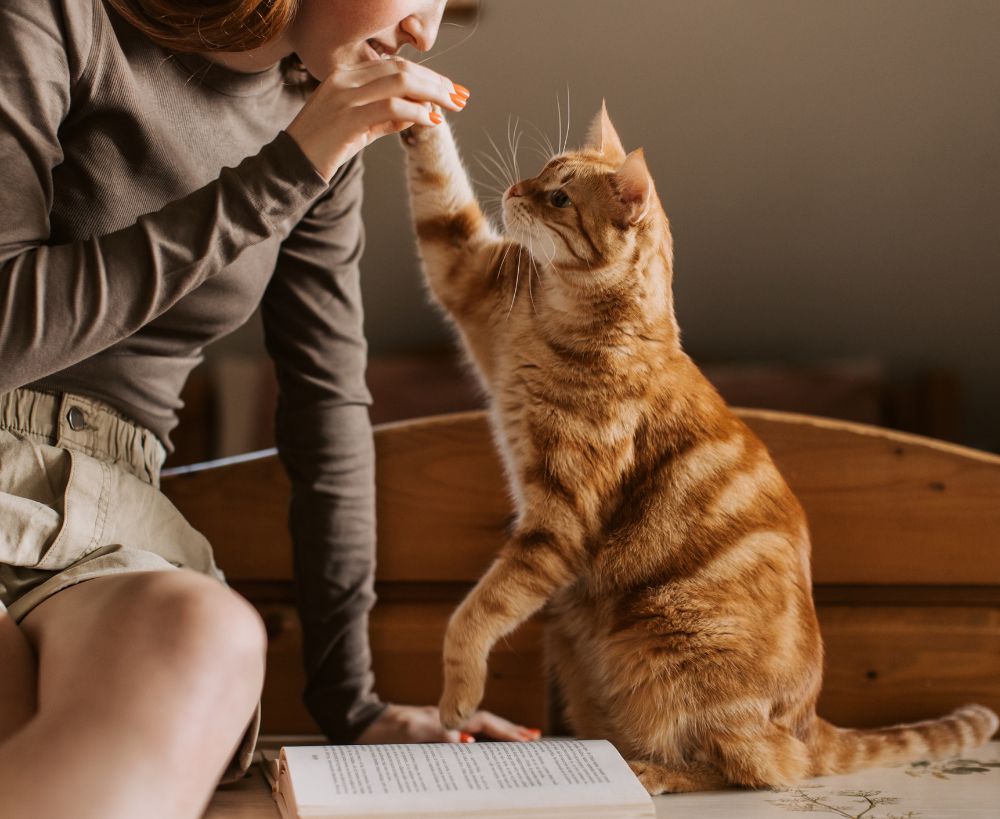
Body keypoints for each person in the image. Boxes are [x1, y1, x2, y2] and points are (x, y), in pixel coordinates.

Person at [0, 1, 537, 816]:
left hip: (109, 522)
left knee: (206, 635)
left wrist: (350, 703)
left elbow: (326, 406)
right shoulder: (54, 16)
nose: (426, 32)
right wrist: (281, 174)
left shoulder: (322, 133)